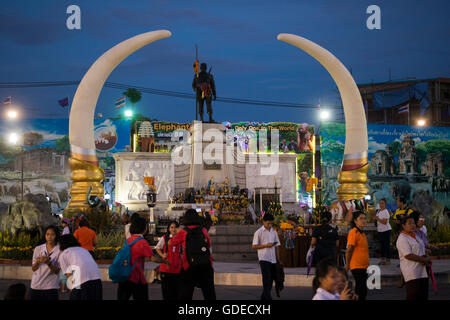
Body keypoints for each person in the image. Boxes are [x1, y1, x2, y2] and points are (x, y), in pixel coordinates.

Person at [169, 209, 216, 300]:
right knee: (209, 293)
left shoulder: (183, 231)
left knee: (186, 294)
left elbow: (171, 243)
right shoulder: (203, 230)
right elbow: (208, 244)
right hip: (206, 265)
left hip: (189, 265)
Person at [118, 216, 166, 300]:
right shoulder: (142, 242)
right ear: (144, 229)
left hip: (125, 274)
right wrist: (165, 261)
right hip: (136, 276)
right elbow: (152, 258)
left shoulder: (128, 240)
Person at [59, 234, 103, 300]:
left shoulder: (64, 254)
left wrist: (73, 291)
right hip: (97, 279)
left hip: (81, 281)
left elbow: (69, 276)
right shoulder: (84, 250)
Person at [396, 215, 430, 300]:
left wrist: (426, 254)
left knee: (423, 295)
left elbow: (420, 249)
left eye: (413, 223)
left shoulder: (415, 235)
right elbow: (408, 255)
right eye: (409, 223)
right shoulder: (402, 238)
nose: (412, 225)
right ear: (403, 226)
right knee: (413, 295)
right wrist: (423, 259)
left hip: (422, 271)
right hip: (412, 273)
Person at [252, 213, 281, 301]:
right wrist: (266, 245)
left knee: (271, 278)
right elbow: (254, 246)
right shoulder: (258, 232)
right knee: (266, 278)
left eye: (271, 223)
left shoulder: (274, 232)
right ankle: (267, 296)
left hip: (272, 258)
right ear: (263, 222)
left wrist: (278, 259)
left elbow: (277, 245)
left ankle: (264, 295)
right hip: (264, 258)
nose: (270, 225)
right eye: (268, 223)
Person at [29, 226, 61, 300]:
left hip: (51, 286)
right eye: (47, 234)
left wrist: (48, 263)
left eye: (52, 235)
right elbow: (33, 269)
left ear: (56, 236)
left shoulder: (59, 250)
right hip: (36, 285)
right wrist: (37, 262)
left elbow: (56, 271)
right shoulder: (38, 248)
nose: (49, 237)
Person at [345, 211, 369, 300]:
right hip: (356, 266)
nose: (364, 220)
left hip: (363, 266)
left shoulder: (362, 233)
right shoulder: (353, 232)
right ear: (355, 221)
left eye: (364, 218)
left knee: (362, 291)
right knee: (361, 291)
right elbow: (349, 250)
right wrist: (347, 265)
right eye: (361, 218)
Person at [155, 221, 182, 300]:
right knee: (167, 293)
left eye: (175, 227)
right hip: (166, 268)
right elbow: (157, 247)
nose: (173, 229)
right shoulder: (165, 237)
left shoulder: (181, 238)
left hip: (177, 269)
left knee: (177, 292)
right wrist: (162, 255)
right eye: (172, 227)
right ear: (169, 229)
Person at [373, 198, 392, 265]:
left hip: (386, 230)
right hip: (380, 230)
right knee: (382, 246)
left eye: (382, 203)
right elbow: (377, 220)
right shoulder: (378, 211)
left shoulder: (386, 211)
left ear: (385, 204)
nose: (381, 205)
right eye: (380, 203)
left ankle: (388, 260)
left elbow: (384, 222)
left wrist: (377, 218)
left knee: (386, 245)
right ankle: (382, 260)